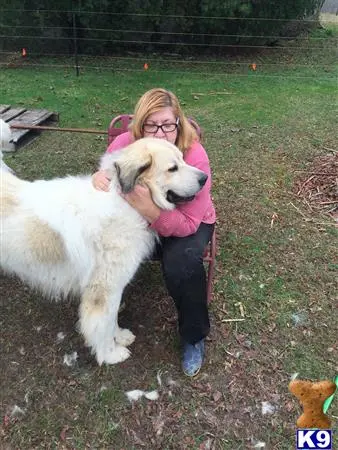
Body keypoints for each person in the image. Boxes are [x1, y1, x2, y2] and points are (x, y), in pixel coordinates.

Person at [92, 88, 216, 377]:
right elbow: (107, 180)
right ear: (141, 125)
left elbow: (187, 224)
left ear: (179, 124)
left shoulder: (195, 155)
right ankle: (106, 306)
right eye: (152, 124)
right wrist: (97, 177)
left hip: (188, 223)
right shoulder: (128, 145)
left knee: (182, 264)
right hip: (138, 224)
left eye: (168, 125)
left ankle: (193, 337)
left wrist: (150, 211)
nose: (160, 133)